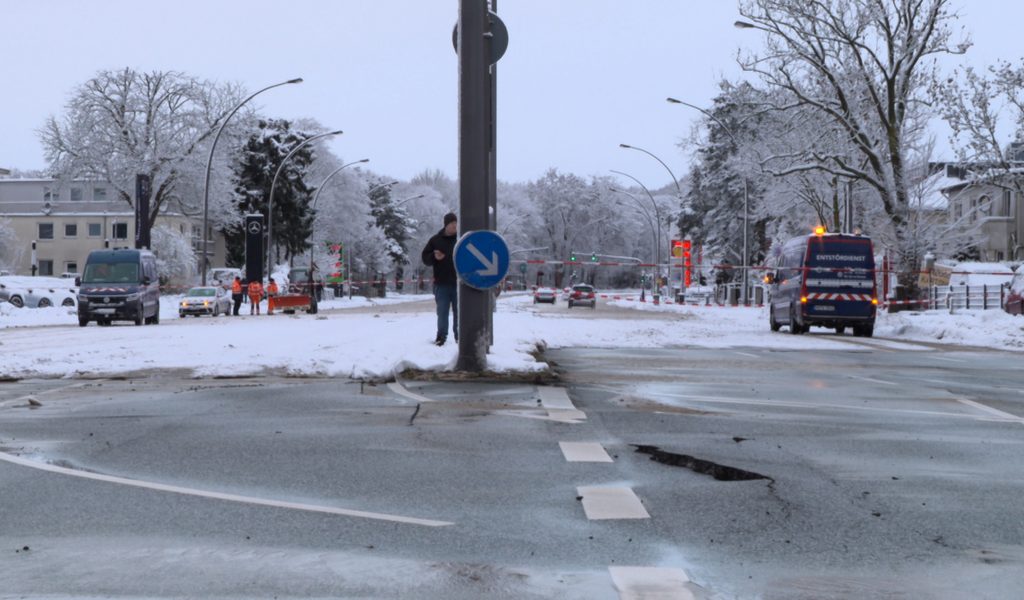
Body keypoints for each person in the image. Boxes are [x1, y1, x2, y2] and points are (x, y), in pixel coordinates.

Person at [421, 212, 459, 346]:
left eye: (456, 224)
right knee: (442, 312)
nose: (455, 227)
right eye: (452, 224)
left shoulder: (460, 240)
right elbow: (425, 258)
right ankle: (441, 337)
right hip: (441, 283)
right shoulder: (435, 240)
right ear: (446, 225)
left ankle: (459, 336)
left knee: (459, 311)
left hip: (458, 284)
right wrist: (434, 256)